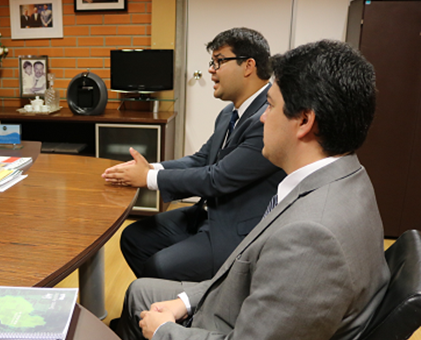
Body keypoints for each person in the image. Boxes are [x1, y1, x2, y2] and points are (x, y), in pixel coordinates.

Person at [115, 39, 390, 340]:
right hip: (239, 296)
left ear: (304, 120)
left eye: (271, 106)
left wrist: (165, 331)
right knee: (140, 290)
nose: (262, 117)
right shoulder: (348, 177)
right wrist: (183, 302)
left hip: (228, 321)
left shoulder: (312, 239)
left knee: (142, 300)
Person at [102, 28, 285, 281]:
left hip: (235, 229)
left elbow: (216, 178)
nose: (211, 69)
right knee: (134, 238)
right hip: (207, 213)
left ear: (248, 66)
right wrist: (151, 169)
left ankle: (178, 311)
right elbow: (201, 160)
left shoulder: (267, 118)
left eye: (219, 61)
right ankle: (161, 307)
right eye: (212, 62)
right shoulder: (228, 114)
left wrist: (147, 179)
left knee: (160, 266)